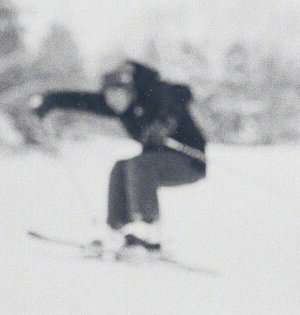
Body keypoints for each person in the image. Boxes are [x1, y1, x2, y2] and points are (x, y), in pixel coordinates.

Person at [32, 60, 207, 254]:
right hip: (155, 161)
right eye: (108, 97)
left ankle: (148, 232)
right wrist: (50, 102)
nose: (112, 102)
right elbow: (83, 100)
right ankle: (118, 229)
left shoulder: (153, 95)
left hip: (190, 160)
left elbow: (180, 93)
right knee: (121, 166)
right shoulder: (121, 107)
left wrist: (165, 122)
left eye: (116, 95)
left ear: (130, 91)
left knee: (138, 165)